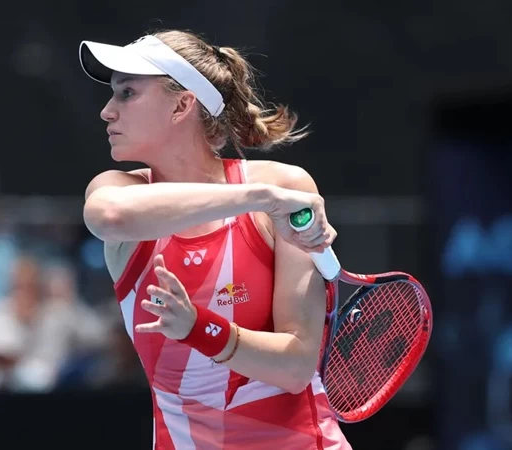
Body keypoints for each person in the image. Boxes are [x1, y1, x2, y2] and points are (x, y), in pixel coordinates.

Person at [79, 29, 352, 449]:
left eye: (127, 93)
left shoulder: (286, 187)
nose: (106, 111)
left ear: (181, 105)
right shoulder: (118, 190)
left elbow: (296, 367)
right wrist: (259, 199)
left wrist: (198, 329)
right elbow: (109, 216)